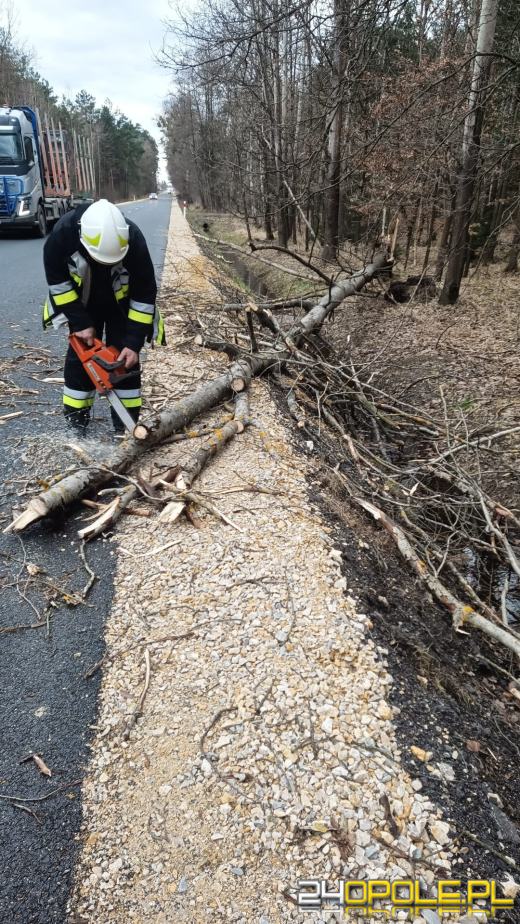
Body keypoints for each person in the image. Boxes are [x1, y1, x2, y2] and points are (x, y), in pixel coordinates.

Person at [42, 198, 165, 433]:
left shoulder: (133, 239)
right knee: (79, 362)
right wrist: (79, 321)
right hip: (81, 304)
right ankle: (76, 425)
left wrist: (133, 342)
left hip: (123, 305)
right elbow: (57, 282)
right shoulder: (63, 234)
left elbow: (145, 293)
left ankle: (125, 429)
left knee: (124, 363)